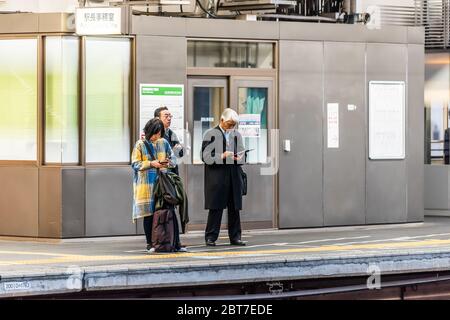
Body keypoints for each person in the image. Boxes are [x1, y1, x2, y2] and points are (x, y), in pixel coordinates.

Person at [131, 118, 186, 253]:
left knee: (170, 211)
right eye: (155, 133)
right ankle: (150, 243)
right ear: (150, 132)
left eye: (159, 133)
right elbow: (135, 164)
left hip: (163, 185)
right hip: (147, 186)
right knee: (149, 214)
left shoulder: (164, 142)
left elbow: (173, 160)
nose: (157, 136)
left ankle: (175, 243)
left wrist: (167, 162)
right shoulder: (140, 145)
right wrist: (151, 163)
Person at [201, 108, 247, 247]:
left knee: (234, 208)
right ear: (221, 120)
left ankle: (235, 237)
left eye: (234, 125)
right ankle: (210, 236)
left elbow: (243, 155)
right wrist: (222, 155)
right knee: (216, 208)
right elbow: (205, 157)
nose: (231, 127)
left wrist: (240, 157)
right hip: (217, 177)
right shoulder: (210, 134)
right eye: (229, 124)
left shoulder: (236, 135)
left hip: (233, 175)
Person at [154, 106, 184, 175]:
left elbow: (180, 153)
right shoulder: (153, 135)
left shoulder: (171, 133)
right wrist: (173, 151)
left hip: (172, 173)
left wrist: (178, 149)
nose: (169, 118)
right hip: (159, 174)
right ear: (157, 118)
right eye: (166, 116)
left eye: (170, 116)